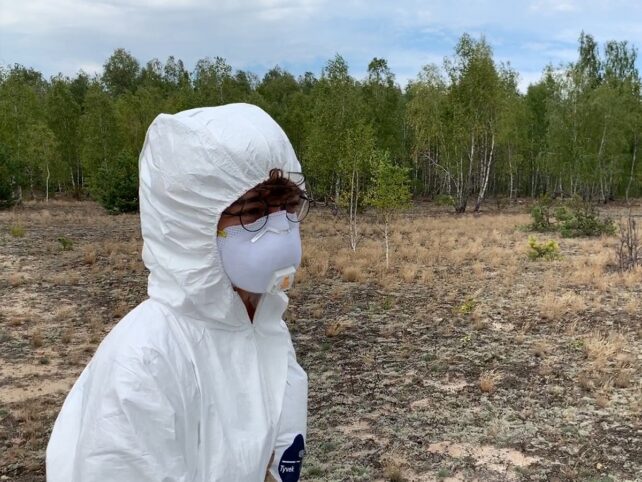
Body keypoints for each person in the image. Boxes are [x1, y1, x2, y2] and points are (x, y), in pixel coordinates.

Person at [46, 104, 309, 482]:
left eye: (289, 205)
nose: (280, 226)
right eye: (254, 210)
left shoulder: (265, 328)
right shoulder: (146, 360)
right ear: (188, 221)